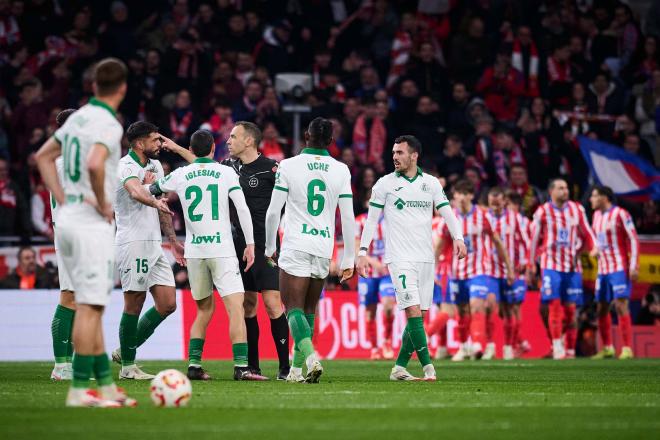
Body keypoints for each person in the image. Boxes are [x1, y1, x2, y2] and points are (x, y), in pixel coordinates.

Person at [35, 58, 136, 407]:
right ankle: (81, 389)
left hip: (67, 222)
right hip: (90, 225)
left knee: (84, 304)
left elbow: (42, 157)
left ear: (94, 86)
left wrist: (64, 199)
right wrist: (102, 201)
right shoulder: (107, 123)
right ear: (122, 89)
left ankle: (103, 388)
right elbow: (95, 162)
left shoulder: (75, 119)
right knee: (90, 307)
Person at [150, 129, 259, 381]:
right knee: (235, 309)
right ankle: (242, 367)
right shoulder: (226, 172)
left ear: (191, 147)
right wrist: (250, 243)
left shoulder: (180, 174)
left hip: (196, 251)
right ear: (212, 149)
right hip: (222, 250)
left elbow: (152, 188)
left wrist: (145, 183)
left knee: (203, 310)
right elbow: (241, 208)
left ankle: (194, 365)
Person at [358, 135, 466, 381]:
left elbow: (447, 212)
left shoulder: (431, 184)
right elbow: (371, 221)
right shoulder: (384, 184)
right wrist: (362, 252)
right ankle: (429, 368)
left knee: (421, 314)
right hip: (399, 259)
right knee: (413, 312)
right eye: (394, 153)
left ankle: (399, 367)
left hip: (426, 259)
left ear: (414, 155)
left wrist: (458, 237)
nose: (395, 157)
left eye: (400, 153)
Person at [264, 117, 356, 383]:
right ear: (330, 142)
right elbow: (348, 218)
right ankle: (294, 371)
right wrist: (348, 256)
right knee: (308, 310)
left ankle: (311, 357)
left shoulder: (289, 166)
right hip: (323, 246)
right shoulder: (341, 170)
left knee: (292, 308)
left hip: (295, 245)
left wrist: (270, 247)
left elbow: (273, 212)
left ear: (306, 135)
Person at [110, 121, 187, 380]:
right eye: (155, 140)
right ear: (139, 143)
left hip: (154, 244)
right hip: (132, 242)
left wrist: (173, 241)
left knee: (167, 304)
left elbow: (161, 204)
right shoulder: (125, 166)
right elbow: (134, 192)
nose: (160, 144)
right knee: (134, 303)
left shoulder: (154, 166)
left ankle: (125, 350)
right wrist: (151, 194)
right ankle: (128, 368)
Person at [221, 121, 290, 380]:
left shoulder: (273, 169)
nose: (228, 141)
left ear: (249, 141)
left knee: (273, 304)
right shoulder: (227, 167)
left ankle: (285, 367)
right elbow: (201, 164)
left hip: (266, 247)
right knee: (248, 305)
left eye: (233, 136)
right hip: (238, 246)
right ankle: (253, 367)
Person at [439, 180, 514, 362]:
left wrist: (509, 268)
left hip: (479, 270)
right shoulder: (449, 218)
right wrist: (432, 268)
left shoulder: (482, 216)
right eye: (458, 194)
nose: (462, 198)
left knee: (477, 305)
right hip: (457, 273)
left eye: (466, 194)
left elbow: (497, 242)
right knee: (462, 312)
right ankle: (464, 347)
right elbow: (440, 245)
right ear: (454, 197)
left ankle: (479, 344)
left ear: (471, 196)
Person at [527, 178, 598, 360]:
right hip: (551, 265)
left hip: (573, 267)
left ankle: (571, 350)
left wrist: (591, 247)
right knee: (554, 306)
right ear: (551, 191)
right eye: (560, 188)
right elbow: (534, 240)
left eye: (566, 187)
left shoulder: (577, 209)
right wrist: (530, 265)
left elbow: (586, 232)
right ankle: (557, 346)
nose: (565, 191)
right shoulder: (543, 212)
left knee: (570, 309)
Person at [589, 185, 639, 360]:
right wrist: (595, 249)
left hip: (619, 267)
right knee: (601, 307)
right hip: (602, 269)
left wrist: (634, 265)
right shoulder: (595, 216)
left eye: (594, 196)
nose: (591, 199)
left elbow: (633, 238)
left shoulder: (620, 214)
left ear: (604, 198)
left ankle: (626, 348)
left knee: (620, 305)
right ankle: (608, 348)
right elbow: (598, 240)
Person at [485, 187, 530, 361]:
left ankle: (509, 347)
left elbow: (526, 241)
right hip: (489, 270)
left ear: (504, 201)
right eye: (492, 204)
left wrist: (526, 261)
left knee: (509, 310)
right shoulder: (484, 218)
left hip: (511, 270)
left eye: (498, 203)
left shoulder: (515, 218)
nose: (495, 207)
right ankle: (490, 346)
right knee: (490, 307)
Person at [48, 108, 76, 381]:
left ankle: (71, 363)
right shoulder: (64, 162)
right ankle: (60, 364)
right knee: (69, 296)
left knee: (80, 298)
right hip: (71, 234)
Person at [355, 209, 396, 360]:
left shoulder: (392, 219)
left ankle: (387, 342)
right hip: (368, 273)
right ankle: (374, 348)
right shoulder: (360, 221)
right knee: (370, 311)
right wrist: (373, 262)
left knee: (388, 306)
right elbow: (356, 247)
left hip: (387, 273)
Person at [504, 190, 532, 359]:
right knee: (505, 310)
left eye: (509, 204)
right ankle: (520, 342)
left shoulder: (522, 222)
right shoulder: (504, 221)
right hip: (505, 271)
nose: (506, 207)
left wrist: (526, 264)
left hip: (518, 271)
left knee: (514, 308)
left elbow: (529, 244)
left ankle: (516, 344)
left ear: (516, 206)